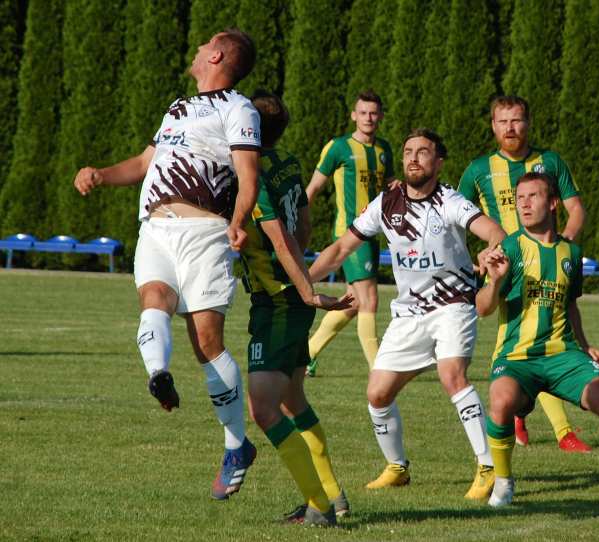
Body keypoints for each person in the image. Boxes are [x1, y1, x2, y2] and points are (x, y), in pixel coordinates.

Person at [73, 29, 260, 500]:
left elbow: (247, 176)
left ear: (216, 55)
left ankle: (236, 445)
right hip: (156, 228)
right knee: (152, 300)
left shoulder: (239, 109)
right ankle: (158, 374)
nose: (196, 49)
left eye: (204, 45)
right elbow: (142, 162)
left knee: (206, 342)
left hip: (205, 234)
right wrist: (100, 173)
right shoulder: (177, 108)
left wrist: (238, 221)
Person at [309, 129, 506, 500]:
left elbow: (494, 230)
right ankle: (397, 468)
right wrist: (303, 284)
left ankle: (488, 466)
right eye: (408, 152)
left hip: (453, 305)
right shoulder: (386, 202)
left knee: (453, 376)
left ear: (439, 162)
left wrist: (489, 250)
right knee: (377, 394)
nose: (414, 158)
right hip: (409, 314)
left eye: (423, 152)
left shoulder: (451, 201)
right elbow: (339, 250)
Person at [476, 172, 599, 515]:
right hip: (517, 358)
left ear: (553, 203)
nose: (525, 204)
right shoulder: (510, 248)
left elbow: (570, 304)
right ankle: (503, 483)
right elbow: (484, 308)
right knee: (501, 400)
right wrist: (495, 281)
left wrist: (586, 344)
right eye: (520, 198)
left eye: (533, 196)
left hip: (565, 356)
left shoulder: (571, 253)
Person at [238, 91, 354, 527]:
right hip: (286, 295)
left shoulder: (253, 172)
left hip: (281, 302)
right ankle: (332, 495)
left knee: (263, 408)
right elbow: (303, 225)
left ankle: (321, 507)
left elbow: (280, 237)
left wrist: (304, 291)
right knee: (290, 401)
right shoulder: (287, 160)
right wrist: (302, 278)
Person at [458, 95, 590, 454]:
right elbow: (453, 217)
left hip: (547, 265)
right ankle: (519, 410)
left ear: (528, 123)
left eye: (516, 121)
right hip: (507, 268)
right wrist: (475, 258)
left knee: (545, 335)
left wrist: (564, 247)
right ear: (493, 126)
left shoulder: (550, 162)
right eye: (502, 122)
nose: (510, 128)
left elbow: (575, 209)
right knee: (525, 339)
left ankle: (562, 432)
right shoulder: (478, 170)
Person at [304, 90, 395, 376]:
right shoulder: (339, 148)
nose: (368, 117)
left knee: (354, 303)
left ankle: (306, 354)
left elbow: (391, 186)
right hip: (349, 233)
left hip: (373, 232)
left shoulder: (384, 150)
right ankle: (378, 369)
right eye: (363, 112)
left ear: (380, 116)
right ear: (354, 115)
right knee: (370, 300)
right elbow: (314, 187)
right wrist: (296, 221)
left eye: (373, 112)